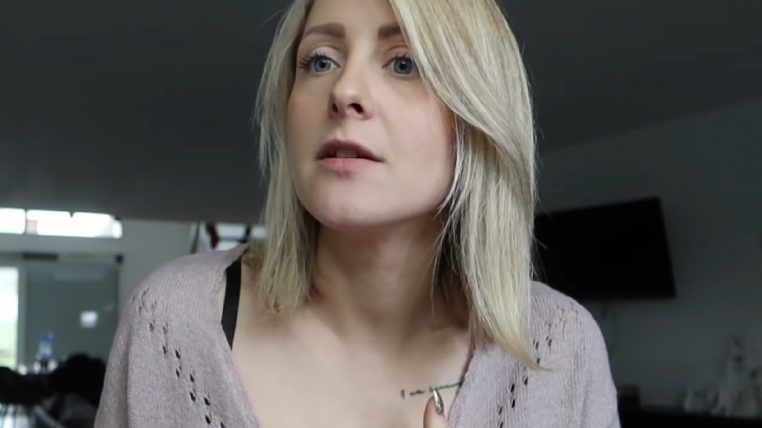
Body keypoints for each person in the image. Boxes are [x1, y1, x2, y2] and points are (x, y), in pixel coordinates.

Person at [95, 0, 620, 426]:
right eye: (320, 60)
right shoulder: (170, 325)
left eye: (404, 63)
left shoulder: (563, 347)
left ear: (477, 114)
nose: (344, 91)